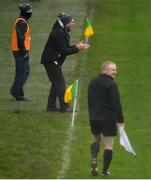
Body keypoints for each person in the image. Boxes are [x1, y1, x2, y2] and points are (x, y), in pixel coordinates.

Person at [41, 12, 90, 112]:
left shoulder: (61, 31)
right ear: (66, 23)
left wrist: (76, 47)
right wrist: (77, 48)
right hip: (51, 61)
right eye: (72, 22)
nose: (73, 24)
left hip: (52, 60)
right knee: (60, 83)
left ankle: (51, 106)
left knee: (56, 83)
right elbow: (64, 51)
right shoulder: (59, 33)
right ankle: (65, 106)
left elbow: (64, 48)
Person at [88, 61, 125, 176]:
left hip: (94, 117)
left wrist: (92, 114)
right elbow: (116, 104)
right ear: (105, 70)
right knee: (109, 145)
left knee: (96, 139)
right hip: (108, 118)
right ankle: (105, 171)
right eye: (113, 69)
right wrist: (120, 120)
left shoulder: (92, 82)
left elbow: (90, 101)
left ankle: (94, 158)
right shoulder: (112, 84)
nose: (116, 72)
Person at [10, 3, 32, 101]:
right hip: (20, 52)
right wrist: (24, 52)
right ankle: (18, 94)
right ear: (24, 13)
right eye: (29, 12)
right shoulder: (21, 22)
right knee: (21, 73)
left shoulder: (23, 20)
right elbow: (20, 38)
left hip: (21, 51)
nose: (31, 13)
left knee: (24, 72)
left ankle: (15, 91)